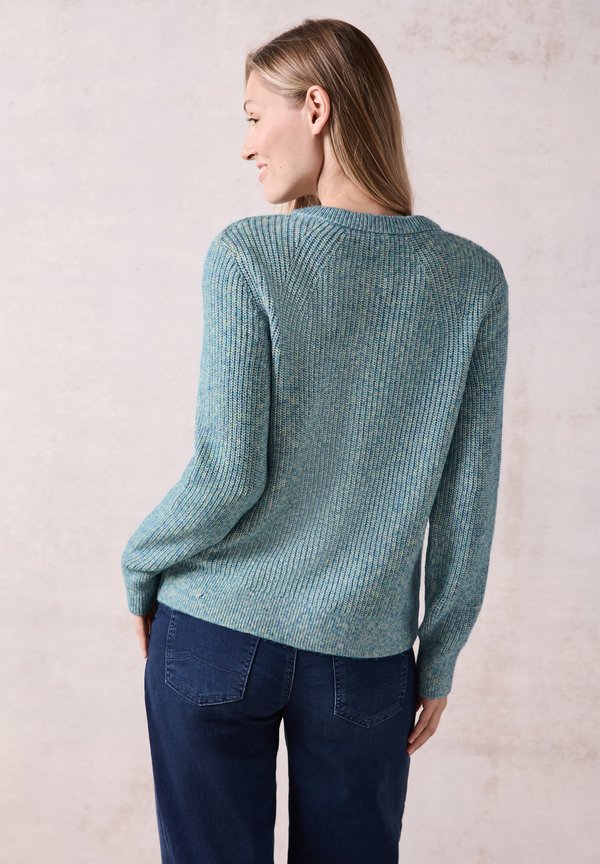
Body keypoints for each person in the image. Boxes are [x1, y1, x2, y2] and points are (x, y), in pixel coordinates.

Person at [121, 17, 509, 864]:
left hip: (214, 632)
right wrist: (437, 655)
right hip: (365, 660)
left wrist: (140, 562)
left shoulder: (248, 255)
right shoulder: (472, 280)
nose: (247, 145)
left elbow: (228, 472)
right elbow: (468, 500)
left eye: (255, 116)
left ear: (318, 108)